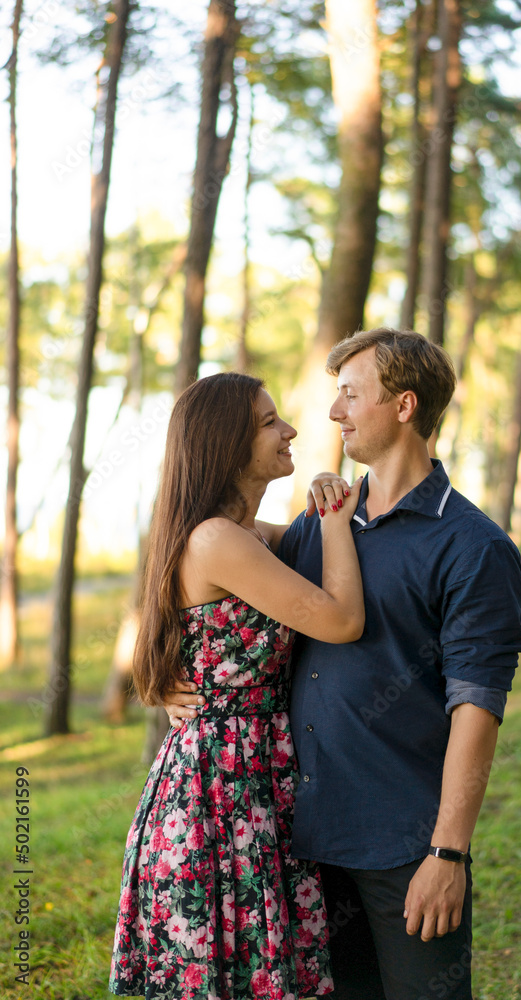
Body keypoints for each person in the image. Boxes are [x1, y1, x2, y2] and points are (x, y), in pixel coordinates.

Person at [165, 329, 521, 1000]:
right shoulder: (319, 525)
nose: (331, 414)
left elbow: (478, 706)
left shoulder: (474, 547)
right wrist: (181, 685)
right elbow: (209, 584)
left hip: (404, 844)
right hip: (298, 842)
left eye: (349, 395)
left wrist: (447, 853)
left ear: (403, 406)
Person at [109, 371, 365, 1000]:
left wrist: (321, 501)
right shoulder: (216, 540)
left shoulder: (247, 535)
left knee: (254, 959)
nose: (291, 430)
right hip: (217, 790)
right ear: (226, 444)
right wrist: (334, 518)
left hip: (251, 775)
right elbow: (341, 619)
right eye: (269, 422)